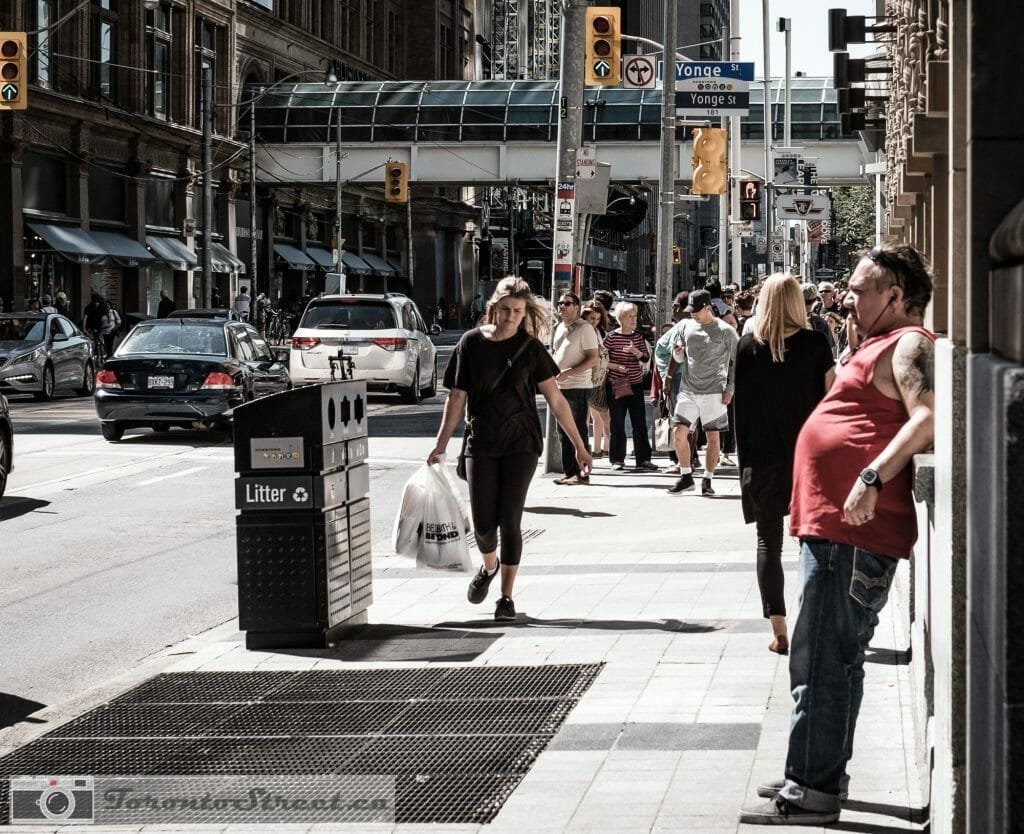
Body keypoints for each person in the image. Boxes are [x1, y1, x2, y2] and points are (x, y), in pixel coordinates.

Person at [740, 242, 936, 826]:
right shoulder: (875, 342)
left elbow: (927, 415)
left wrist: (872, 476)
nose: (848, 297)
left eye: (859, 288)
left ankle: (810, 791)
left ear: (895, 296)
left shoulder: (907, 344)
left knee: (823, 658)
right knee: (832, 658)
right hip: (834, 531)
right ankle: (815, 767)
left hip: (853, 532)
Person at [427, 276, 592, 622]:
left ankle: (506, 597)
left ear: (525, 312)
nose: (510, 317)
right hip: (481, 441)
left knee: (510, 519)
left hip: (522, 444)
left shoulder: (530, 349)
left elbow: (556, 400)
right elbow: (456, 397)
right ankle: (489, 567)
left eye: (517, 311)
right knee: (484, 523)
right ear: (493, 309)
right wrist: (440, 444)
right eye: (504, 310)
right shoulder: (471, 344)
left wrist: (580, 446)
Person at [733, 275, 834, 656]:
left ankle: (779, 629)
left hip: (761, 459)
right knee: (816, 541)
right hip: (810, 456)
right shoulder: (815, 344)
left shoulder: (746, 348)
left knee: (767, 543)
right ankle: (816, 623)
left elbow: (740, 413)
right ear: (797, 302)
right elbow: (832, 400)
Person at [664, 289, 739, 496]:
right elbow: (680, 357)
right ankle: (686, 476)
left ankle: (708, 478)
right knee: (678, 432)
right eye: (691, 310)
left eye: (696, 311)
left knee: (712, 437)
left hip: (714, 391)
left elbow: (736, 362)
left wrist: (730, 389)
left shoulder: (725, 331)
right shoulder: (687, 327)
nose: (692, 314)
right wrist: (677, 356)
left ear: (708, 308)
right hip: (689, 389)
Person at [551, 291, 599, 486]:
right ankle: (569, 471)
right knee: (563, 430)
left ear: (577, 307)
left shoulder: (585, 328)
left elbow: (593, 358)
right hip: (559, 385)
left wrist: (569, 372)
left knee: (577, 430)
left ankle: (581, 473)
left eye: (567, 303)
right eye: (560, 303)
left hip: (577, 385)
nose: (562, 306)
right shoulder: (560, 327)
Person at [604, 301, 656, 472]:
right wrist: (616, 367)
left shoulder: (638, 337)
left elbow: (646, 358)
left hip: (635, 385)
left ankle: (643, 459)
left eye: (635, 316)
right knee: (617, 423)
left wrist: (637, 352)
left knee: (639, 422)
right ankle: (617, 459)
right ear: (621, 319)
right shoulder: (611, 337)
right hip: (616, 385)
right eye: (630, 316)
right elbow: (602, 360)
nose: (634, 319)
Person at [581, 301, 612, 458]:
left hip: (597, 378)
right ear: (584, 316)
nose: (595, 322)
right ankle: (594, 448)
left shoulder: (598, 333)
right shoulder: (585, 332)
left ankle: (599, 448)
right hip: (586, 377)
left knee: (597, 415)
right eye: (592, 318)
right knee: (590, 415)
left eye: (598, 319)